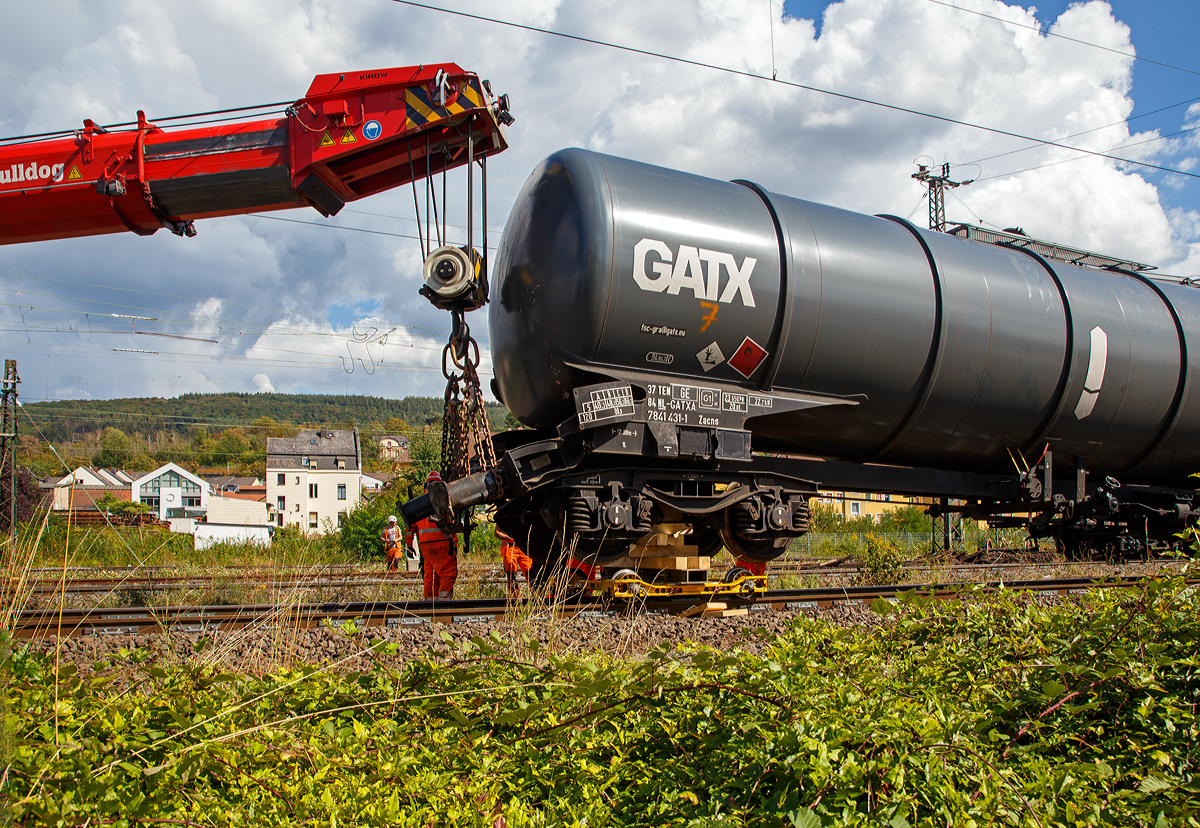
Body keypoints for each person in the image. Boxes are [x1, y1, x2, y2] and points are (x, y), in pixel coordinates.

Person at [403, 471, 458, 598]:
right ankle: (444, 602)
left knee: (431, 575)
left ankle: (430, 602)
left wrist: (409, 544)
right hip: (442, 542)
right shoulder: (442, 499)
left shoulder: (418, 504)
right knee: (448, 573)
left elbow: (410, 526)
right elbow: (449, 522)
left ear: (426, 484)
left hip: (425, 546)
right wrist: (452, 541)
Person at [495, 526, 532, 598]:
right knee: (510, 569)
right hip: (510, 547)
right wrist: (510, 539)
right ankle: (514, 596)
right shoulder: (504, 516)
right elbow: (496, 533)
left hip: (523, 547)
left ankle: (536, 594)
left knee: (529, 570)